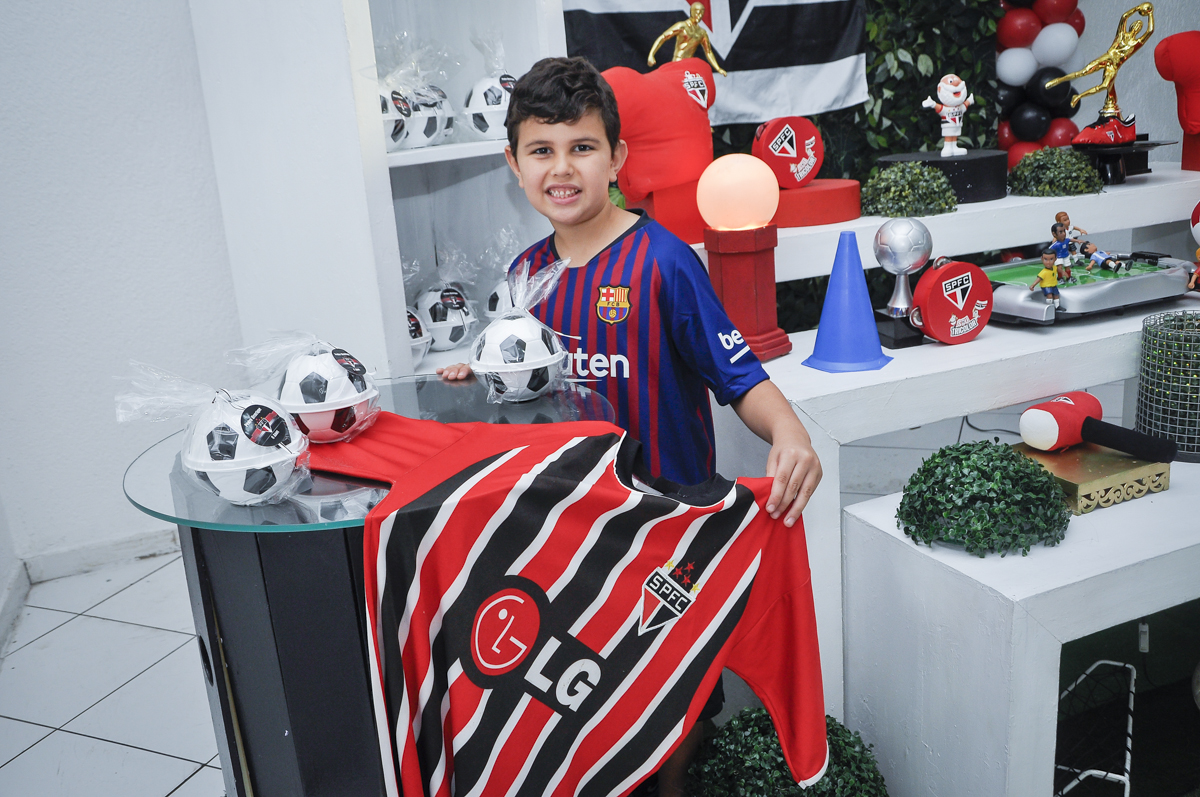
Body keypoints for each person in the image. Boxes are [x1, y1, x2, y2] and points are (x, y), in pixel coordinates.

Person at [439, 56, 821, 797]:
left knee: (667, 715)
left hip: (661, 540)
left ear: (616, 157)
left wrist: (790, 433)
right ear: (513, 164)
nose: (562, 168)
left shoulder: (665, 263)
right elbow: (520, 399)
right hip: (568, 546)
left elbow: (738, 374)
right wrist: (470, 377)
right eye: (541, 150)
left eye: (581, 147)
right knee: (586, 712)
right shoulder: (520, 280)